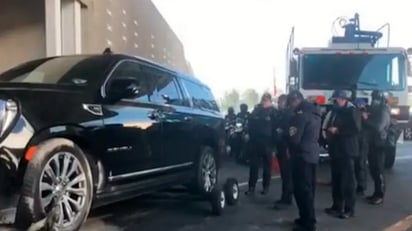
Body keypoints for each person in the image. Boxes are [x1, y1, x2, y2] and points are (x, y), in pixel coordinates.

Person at [286, 90, 321, 231]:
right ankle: (307, 217)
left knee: (302, 190)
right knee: (309, 190)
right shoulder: (315, 113)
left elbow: (294, 139)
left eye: (290, 104)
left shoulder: (299, 117)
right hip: (312, 155)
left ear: (295, 101)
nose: (290, 107)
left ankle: (308, 222)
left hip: (301, 156)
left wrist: (284, 134)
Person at [324, 90, 362, 219]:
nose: (334, 102)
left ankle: (349, 208)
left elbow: (356, 128)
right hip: (336, 149)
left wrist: (338, 130)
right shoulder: (335, 111)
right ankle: (337, 205)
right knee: (336, 179)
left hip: (347, 150)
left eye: (336, 100)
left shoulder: (352, 111)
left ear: (343, 99)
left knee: (347, 181)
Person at [245, 93, 278, 196]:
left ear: (270, 101)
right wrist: (247, 134)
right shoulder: (256, 110)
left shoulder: (274, 112)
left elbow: (275, 129)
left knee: (267, 167)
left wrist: (274, 146)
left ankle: (266, 187)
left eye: (266, 100)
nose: (264, 102)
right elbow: (250, 123)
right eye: (263, 99)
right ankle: (251, 187)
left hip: (267, 143)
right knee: (253, 166)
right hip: (255, 142)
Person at [364, 90, 391, 205]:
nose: (373, 100)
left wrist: (366, 120)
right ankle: (376, 193)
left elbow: (379, 127)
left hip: (379, 143)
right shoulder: (374, 109)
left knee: (378, 169)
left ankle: (380, 195)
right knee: (373, 169)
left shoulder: (383, 110)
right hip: (372, 142)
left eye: (375, 98)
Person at [273, 94, 294, 209]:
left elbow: (289, 131)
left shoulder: (288, 114)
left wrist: (280, 131)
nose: (278, 104)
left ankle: (287, 197)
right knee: (284, 174)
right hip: (281, 146)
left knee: (287, 174)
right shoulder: (282, 114)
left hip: (286, 147)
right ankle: (285, 196)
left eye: (280, 102)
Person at [354, 98, 369, 196]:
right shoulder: (357, 112)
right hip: (358, 141)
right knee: (358, 164)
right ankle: (360, 185)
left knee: (360, 164)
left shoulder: (365, 114)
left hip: (362, 142)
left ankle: (361, 186)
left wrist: (365, 118)